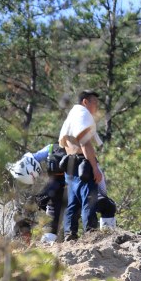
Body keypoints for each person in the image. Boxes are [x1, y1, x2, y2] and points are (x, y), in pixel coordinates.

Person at [58, 89, 103, 240]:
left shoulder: (71, 117)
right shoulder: (82, 114)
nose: (96, 107)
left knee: (73, 202)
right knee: (88, 199)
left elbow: (66, 144)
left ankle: (70, 234)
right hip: (82, 164)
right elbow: (84, 142)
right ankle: (91, 234)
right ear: (85, 102)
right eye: (94, 103)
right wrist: (95, 167)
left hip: (70, 165)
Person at [31, 143, 67, 243]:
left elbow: (35, 157)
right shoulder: (76, 147)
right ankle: (67, 235)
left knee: (48, 206)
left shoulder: (51, 147)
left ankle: (47, 239)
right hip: (69, 184)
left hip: (52, 184)